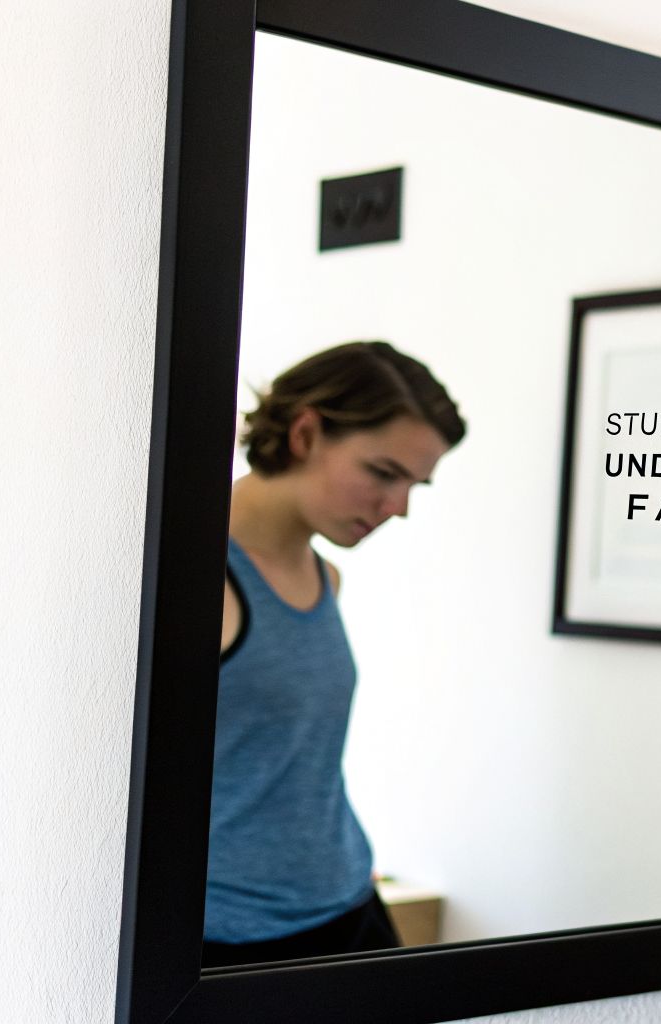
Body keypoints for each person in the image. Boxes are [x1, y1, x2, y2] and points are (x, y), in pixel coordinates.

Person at [201, 340, 466, 968]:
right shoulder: (196, 579)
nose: (399, 506)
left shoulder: (326, 578)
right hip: (233, 941)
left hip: (348, 908)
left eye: (414, 484)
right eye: (383, 472)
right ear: (305, 432)